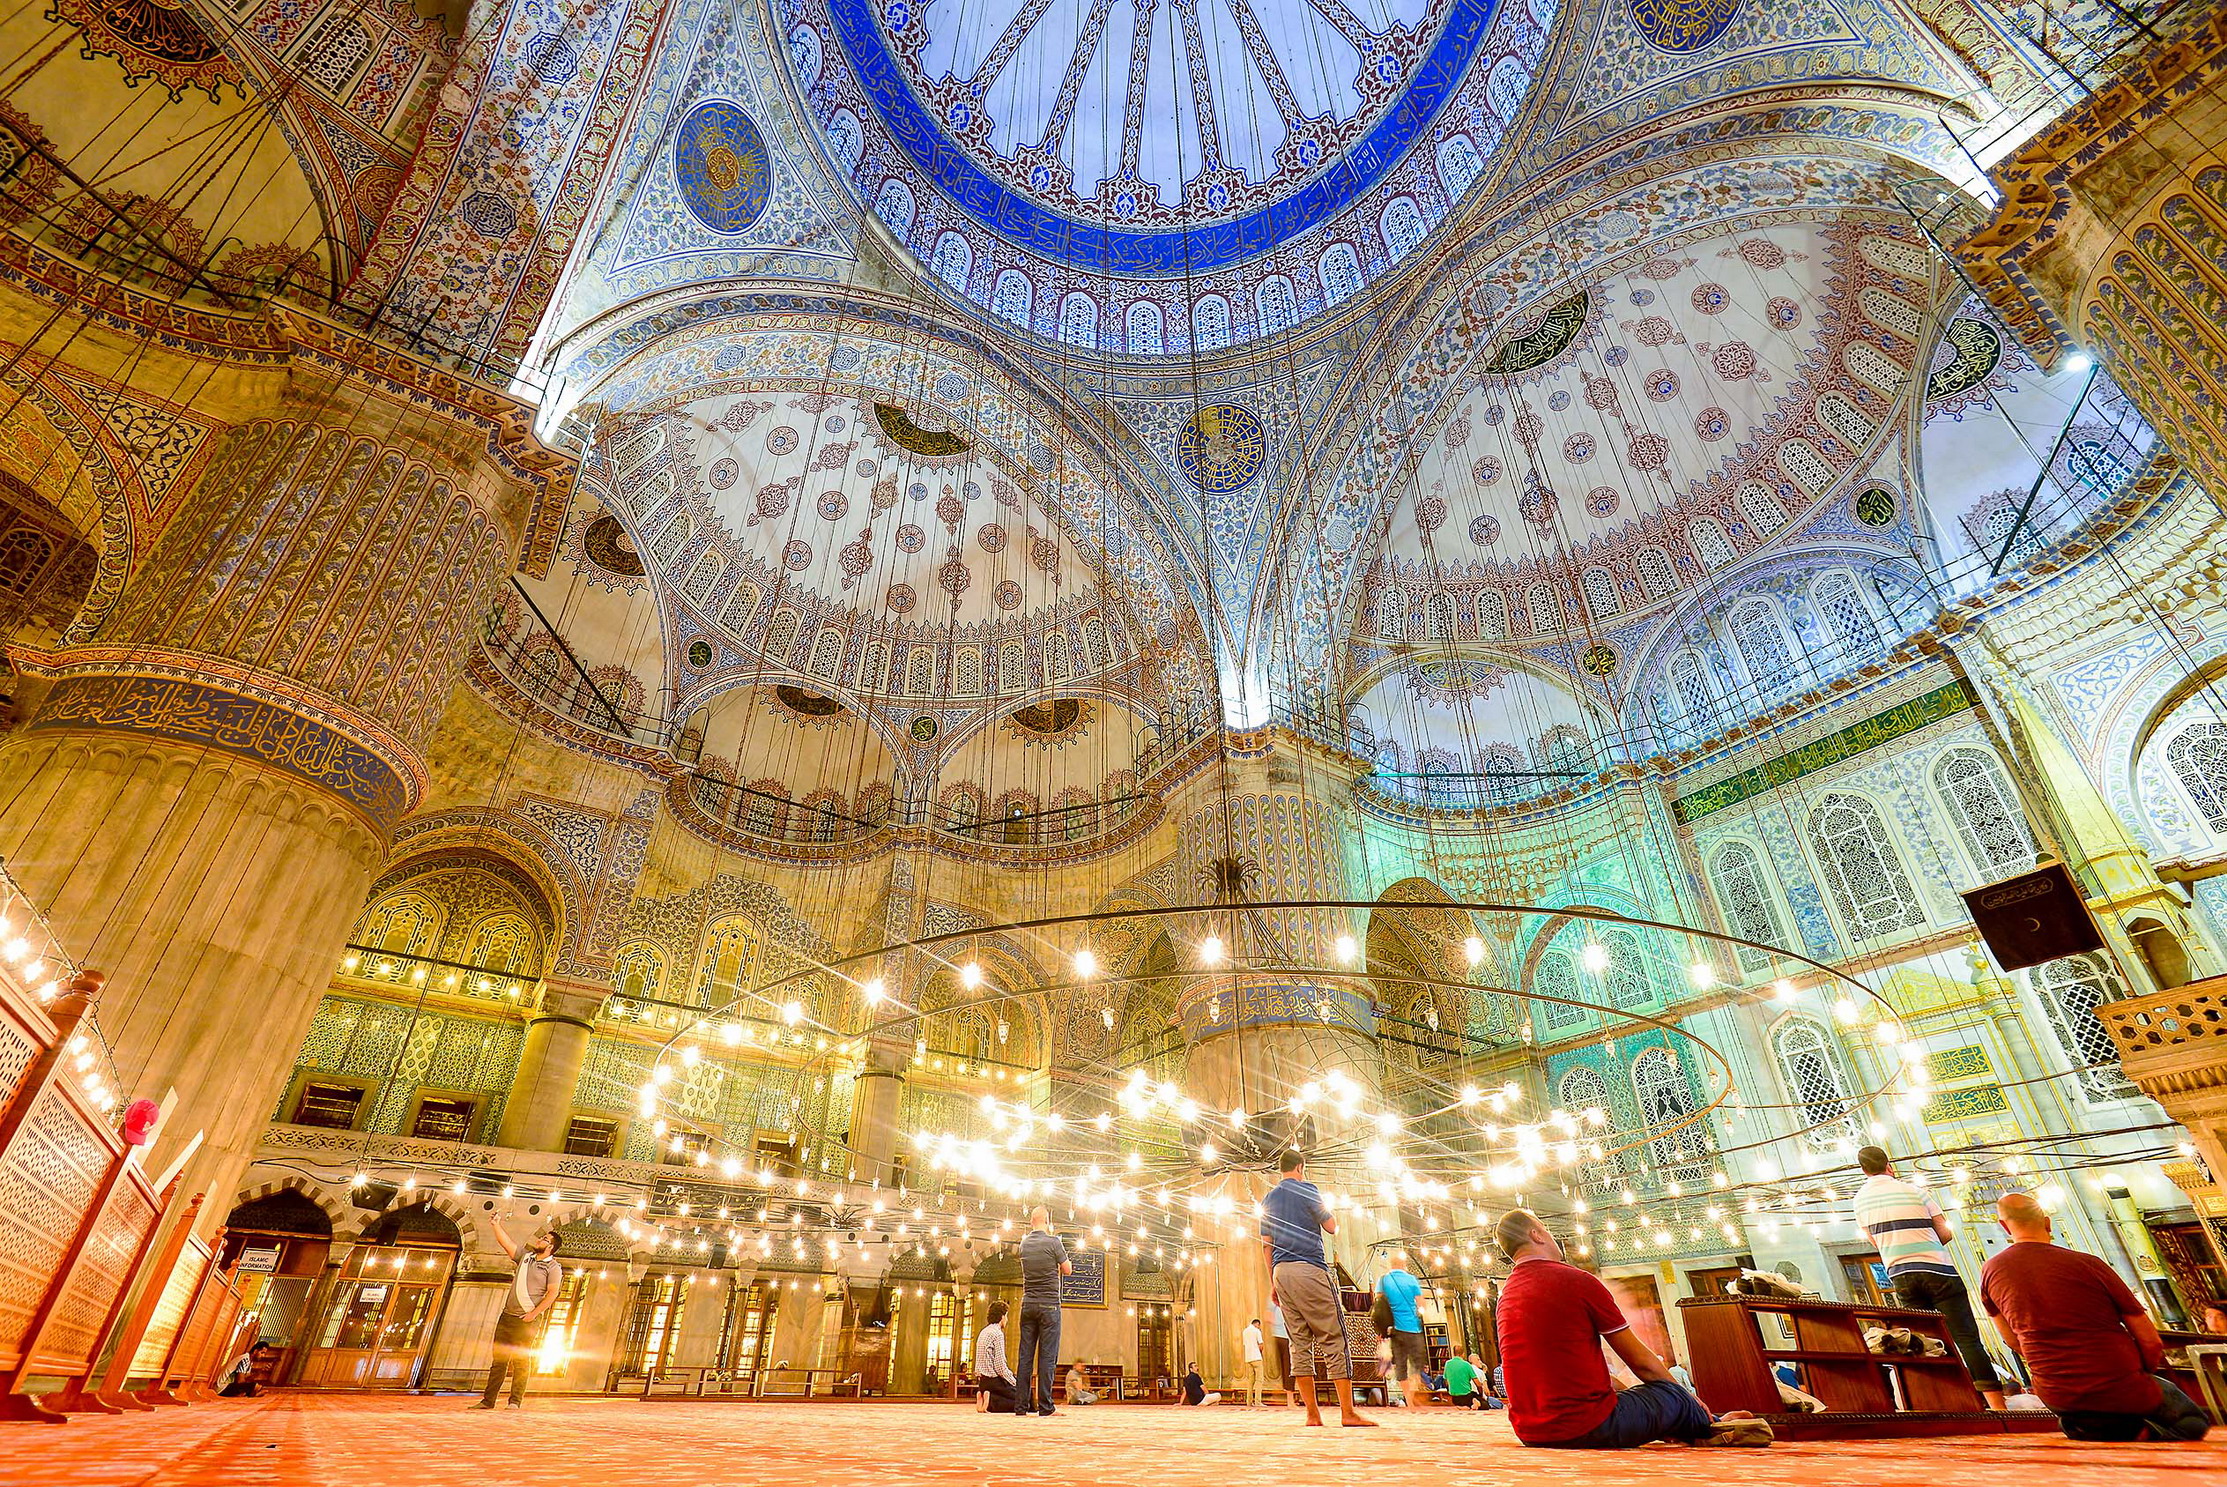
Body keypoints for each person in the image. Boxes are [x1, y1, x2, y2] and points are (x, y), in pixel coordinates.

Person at [1495, 1209, 1771, 1448]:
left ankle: (1681, 1424)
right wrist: (1691, 1401)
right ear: (1537, 1235)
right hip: (1586, 1427)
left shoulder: (1506, 1296)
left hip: (1530, 1431)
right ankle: (1713, 1424)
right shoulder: (1576, 1280)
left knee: (1639, 1399)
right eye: (1547, 1229)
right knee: (1670, 1392)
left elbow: (1561, 1373)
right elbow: (1643, 1363)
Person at [1979, 1191, 2210, 1442]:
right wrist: (2140, 1372)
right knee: (2194, 1422)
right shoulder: (2090, 1264)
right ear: (2047, 1222)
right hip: (2120, 1386)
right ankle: (2143, 1434)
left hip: (2057, 1395)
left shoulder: (1990, 1271)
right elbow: (2149, 1339)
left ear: (2003, 1226)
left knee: (2086, 1413)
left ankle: (2091, 1428)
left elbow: (2012, 1341)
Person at [1852, 1146, 2006, 1410]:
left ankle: (1941, 1403)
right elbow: (1945, 1233)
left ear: (1863, 1170)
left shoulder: (1859, 1201)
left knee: (1921, 1343)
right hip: (1938, 1270)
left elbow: (1875, 1242)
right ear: (1889, 1166)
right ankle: (1996, 1406)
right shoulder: (1915, 1191)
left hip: (1901, 1276)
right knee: (1966, 1339)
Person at [1260, 1148, 1373, 1427]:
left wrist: (1273, 1278)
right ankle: (1347, 1412)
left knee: (1299, 1344)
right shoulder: (1307, 1189)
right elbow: (1332, 1226)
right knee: (1333, 1337)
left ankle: (1312, 1414)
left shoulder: (1268, 1199)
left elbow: (1265, 1244)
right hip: (1309, 1268)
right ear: (1300, 1167)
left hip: (1281, 1273)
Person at [474, 1216, 563, 1409]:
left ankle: (515, 1401)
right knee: (499, 1361)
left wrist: (533, 1314)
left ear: (550, 1247)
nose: (540, 1240)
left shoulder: (553, 1267)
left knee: (521, 1361)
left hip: (527, 1321)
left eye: (545, 1239)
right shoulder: (525, 1258)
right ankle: (488, 1401)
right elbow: (506, 1243)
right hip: (507, 1317)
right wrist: (496, 1224)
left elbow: (553, 1293)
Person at [1013, 1204, 1070, 1417]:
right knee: (1047, 1358)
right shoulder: (1054, 1242)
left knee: (1025, 1357)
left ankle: (1021, 1407)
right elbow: (1068, 1269)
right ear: (1048, 1220)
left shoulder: (1024, 1243)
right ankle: (1046, 1407)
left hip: (1028, 1304)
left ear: (1031, 1222)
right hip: (1049, 1306)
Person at [1377, 1259, 1430, 1407]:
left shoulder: (1383, 1280)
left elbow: (1378, 1305)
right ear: (1403, 1266)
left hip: (1394, 1329)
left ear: (1391, 1265)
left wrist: (1381, 1329)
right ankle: (1414, 1393)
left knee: (1400, 1365)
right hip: (1412, 1327)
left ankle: (1408, 1400)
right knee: (1416, 1363)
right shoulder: (1411, 1279)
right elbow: (1421, 1304)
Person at [974, 1300, 1018, 1413]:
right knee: (1024, 1400)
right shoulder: (997, 1334)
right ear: (1002, 1316)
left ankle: (983, 1395)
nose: (1007, 1320)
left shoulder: (984, 1331)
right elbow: (1000, 1367)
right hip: (994, 1381)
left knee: (1017, 1395)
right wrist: (1014, 1382)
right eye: (1006, 1316)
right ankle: (992, 1402)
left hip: (983, 1381)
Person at [1268, 1300, 1297, 1405]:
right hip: (1286, 1336)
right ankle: (1290, 1401)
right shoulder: (1286, 1298)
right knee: (1289, 1368)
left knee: (1286, 1368)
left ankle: (1289, 1398)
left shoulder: (1273, 1301)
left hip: (1277, 1335)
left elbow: (1268, 1318)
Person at [1241, 1316, 1266, 1406]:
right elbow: (1261, 1345)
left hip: (1248, 1358)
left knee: (1250, 1381)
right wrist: (1260, 1352)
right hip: (1256, 1357)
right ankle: (1258, 1401)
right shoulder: (1256, 1331)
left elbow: (1245, 1344)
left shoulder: (1245, 1331)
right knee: (1259, 1380)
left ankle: (1249, 1401)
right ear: (1257, 1324)